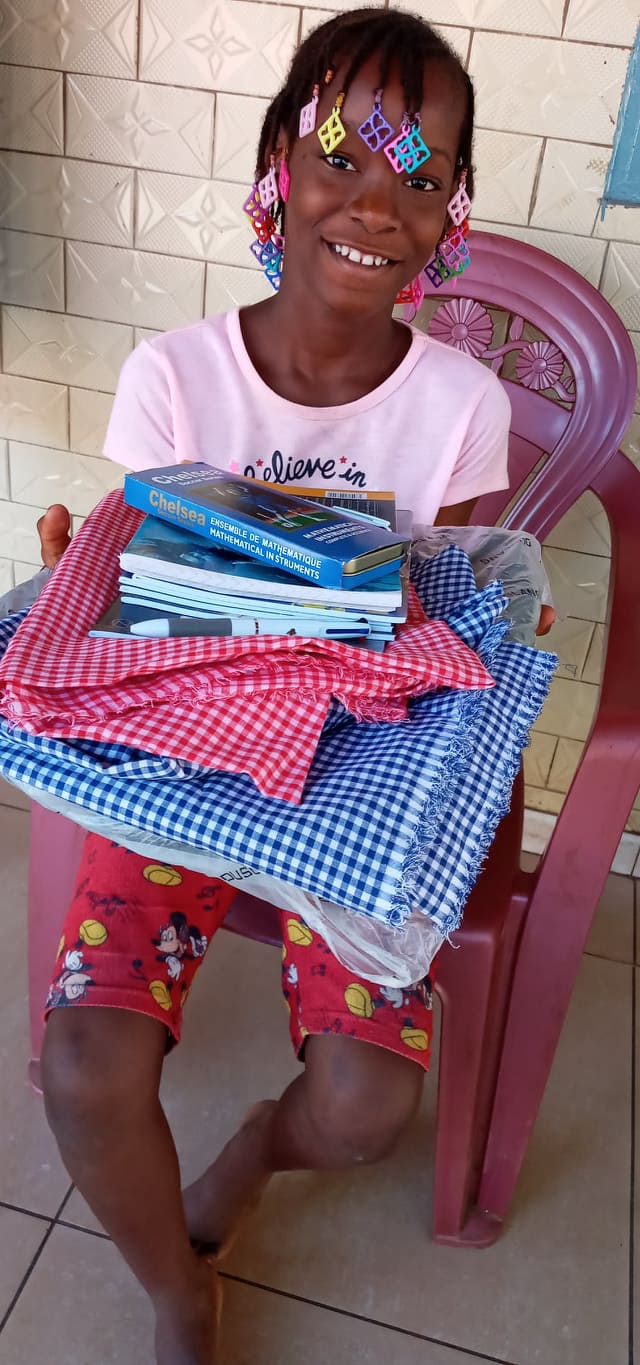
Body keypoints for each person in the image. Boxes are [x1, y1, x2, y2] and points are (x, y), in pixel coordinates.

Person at [33, 11, 511, 1363]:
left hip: (351, 774)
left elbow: (443, 612)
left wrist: (471, 642)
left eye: (421, 176)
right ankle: (177, 1291)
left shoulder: (463, 408)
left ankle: (248, 1156)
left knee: (364, 1110)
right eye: (342, 156)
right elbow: (139, 601)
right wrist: (86, 579)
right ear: (276, 168)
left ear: (453, 212)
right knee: (83, 1069)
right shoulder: (176, 378)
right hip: (183, 756)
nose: (377, 204)